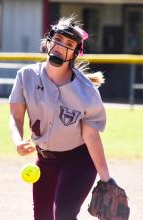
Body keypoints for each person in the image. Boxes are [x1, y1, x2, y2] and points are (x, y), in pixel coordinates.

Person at [9, 15, 111, 220]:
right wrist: (18, 141)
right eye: (58, 39)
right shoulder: (25, 76)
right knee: (43, 217)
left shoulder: (86, 91)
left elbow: (91, 136)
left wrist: (106, 179)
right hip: (45, 161)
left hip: (79, 160)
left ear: (75, 52)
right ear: (49, 41)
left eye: (69, 44)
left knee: (63, 215)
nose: (60, 46)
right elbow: (16, 116)